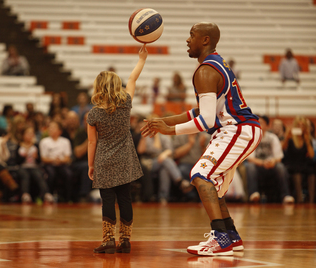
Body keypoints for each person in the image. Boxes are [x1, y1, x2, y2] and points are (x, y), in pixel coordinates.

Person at [141, 22, 262, 256]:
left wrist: (169, 131)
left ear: (205, 40)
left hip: (237, 129)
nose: (188, 40)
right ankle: (231, 236)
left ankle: (220, 239)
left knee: (200, 175)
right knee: (213, 184)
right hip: (236, 129)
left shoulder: (206, 71)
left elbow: (205, 121)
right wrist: (166, 121)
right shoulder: (215, 64)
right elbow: (199, 112)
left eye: (191, 35)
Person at [87, 45, 147, 254]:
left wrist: (91, 165)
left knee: (108, 200)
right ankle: (126, 241)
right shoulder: (126, 104)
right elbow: (132, 79)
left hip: (104, 159)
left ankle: (108, 241)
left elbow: (92, 143)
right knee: (125, 198)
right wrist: (141, 59)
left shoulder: (93, 114)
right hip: (125, 158)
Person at [245, 115, 294, 204]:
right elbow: (250, 158)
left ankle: (286, 195)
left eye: (261, 123)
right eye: (256, 122)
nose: (258, 124)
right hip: (257, 166)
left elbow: (278, 157)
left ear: (267, 126)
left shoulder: (273, 138)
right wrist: (263, 163)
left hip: (271, 165)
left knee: (280, 167)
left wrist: (273, 161)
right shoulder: (251, 138)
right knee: (250, 166)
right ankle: (254, 194)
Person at [282, 116, 315, 203]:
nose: (300, 127)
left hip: (304, 164)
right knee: (296, 173)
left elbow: (311, 155)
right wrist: (287, 137)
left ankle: (311, 201)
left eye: (302, 125)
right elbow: (283, 149)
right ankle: (299, 199)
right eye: (298, 125)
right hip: (292, 164)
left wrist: (307, 140)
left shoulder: (308, 139)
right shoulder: (291, 139)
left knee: (312, 172)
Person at [39, 121, 73, 202]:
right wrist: (53, 160)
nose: (51, 129)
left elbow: (67, 158)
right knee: (51, 174)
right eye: (50, 127)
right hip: (49, 164)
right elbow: (43, 158)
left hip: (62, 164)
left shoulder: (65, 141)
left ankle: (67, 198)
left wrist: (60, 161)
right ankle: (48, 195)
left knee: (69, 174)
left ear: (59, 131)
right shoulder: (44, 141)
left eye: (53, 127)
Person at [17, 127, 53, 203]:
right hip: (23, 167)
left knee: (39, 175)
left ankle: (46, 193)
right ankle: (25, 194)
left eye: (31, 134)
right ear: (23, 135)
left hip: (34, 167)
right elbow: (16, 161)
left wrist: (36, 157)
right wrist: (23, 157)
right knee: (25, 175)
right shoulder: (19, 145)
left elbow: (40, 161)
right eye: (28, 133)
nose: (30, 135)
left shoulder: (36, 146)